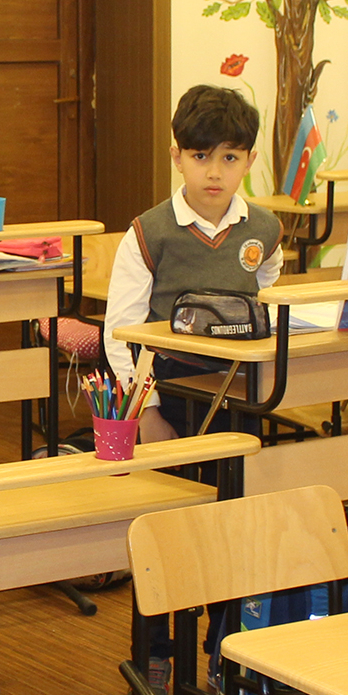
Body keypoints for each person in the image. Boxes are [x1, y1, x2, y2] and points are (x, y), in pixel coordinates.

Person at [102, 84, 282, 439]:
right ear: (177, 158)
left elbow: (267, 287)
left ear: (249, 162)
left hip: (240, 384)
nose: (214, 172)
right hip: (170, 385)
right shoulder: (148, 233)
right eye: (200, 156)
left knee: (241, 468)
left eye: (229, 158)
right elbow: (120, 335)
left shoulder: (265, 229)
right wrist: (146, 413)